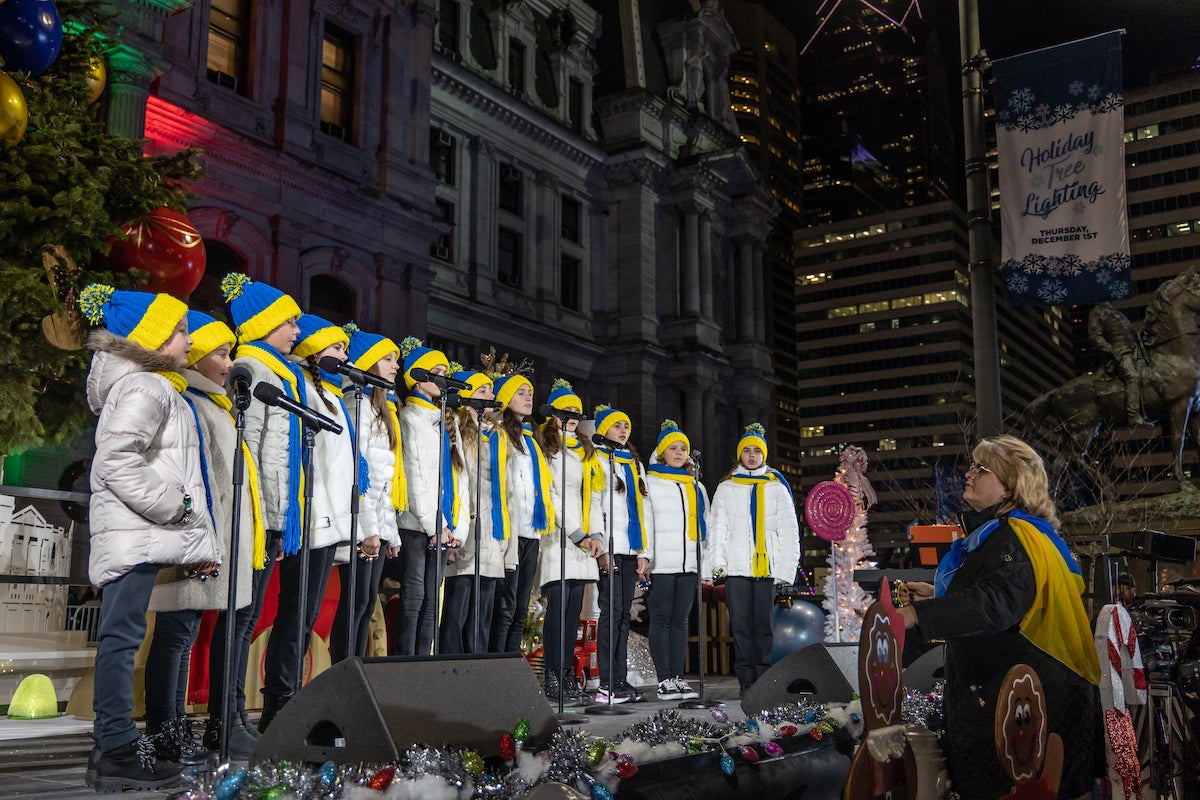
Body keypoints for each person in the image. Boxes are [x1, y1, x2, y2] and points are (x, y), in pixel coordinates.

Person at [899, 434, 1103, 800]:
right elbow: (1005, 596)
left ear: (1009, 488)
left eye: (982, 468)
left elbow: (994, 604)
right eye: (972, 465)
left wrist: (917, 614)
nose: (968, 473)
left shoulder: (1015, 538)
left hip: (1025, 716)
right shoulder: (1000, 537)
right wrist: (938, 596)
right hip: (1015, 706)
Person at [78, 284, 218, 792]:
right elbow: (116, 459)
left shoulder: (151, 385)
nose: (187, 339)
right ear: (154, 338)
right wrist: (176, 507)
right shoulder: (146, 388)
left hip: (137, 531)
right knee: (121, 639)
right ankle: (115, 748)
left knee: (122, 638)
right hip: (135, 531)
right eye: (180, 330)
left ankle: (110, 750)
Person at [147, 311, 262, 760]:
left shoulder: (216, 405)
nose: (230, 361)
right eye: (221, 352)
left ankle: (173, 728)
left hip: (206, 541)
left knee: (185, 633)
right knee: (175, 634)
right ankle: (163, 730)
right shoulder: (190, 403)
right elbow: (192, 479)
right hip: (189, 538)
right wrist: (196, 537)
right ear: (194, 360)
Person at [256, 314, 359, 721]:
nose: (344, 355)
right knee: (295, 612)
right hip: (308, 516)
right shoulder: (301, 388)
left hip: (329, 518)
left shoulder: (331, 395)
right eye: (336, 348)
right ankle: (278, 700)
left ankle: (289, 696)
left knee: (307, 615)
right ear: (314, 352)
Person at [221, 272, 302, 733]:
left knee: (246, 623)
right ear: (265, 323)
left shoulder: (277, 372)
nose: (296, 331)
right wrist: (264, 518)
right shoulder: (253, 371)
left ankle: (232, 716)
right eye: (289, 322)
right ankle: (227, 719)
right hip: (258, 515)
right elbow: (248, 450)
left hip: (270, 515)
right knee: (240, 623)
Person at [329, 324, 405, 662]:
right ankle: (343, 672)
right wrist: (369, 531)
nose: (395, 366)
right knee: (354, 603)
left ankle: (354, 669)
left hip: (377, 527)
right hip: (362, 526)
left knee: (364, 605)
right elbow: (360, 475)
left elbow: (386, 480)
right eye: (388, 359)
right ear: (369, 363)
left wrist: (389, 531)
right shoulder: (356, 405)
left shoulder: (382, 409)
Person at [707, 423, 798, 697]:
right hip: (736, 567)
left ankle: (764, 678)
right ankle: (746, 681)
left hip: (765, 568)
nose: (752, 455)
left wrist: (785, 569)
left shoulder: (776, 487)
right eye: (746, 450)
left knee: (763, 626)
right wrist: (717, 562)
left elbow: (788, 530)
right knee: (741, 626)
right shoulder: (726, 488)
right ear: (739, 455)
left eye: (756, 451)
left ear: (764, 455)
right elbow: (717, 528)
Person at [539, 380, 605, 705]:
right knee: (558, 607)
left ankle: (567, 673)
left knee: (573, 611)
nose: (574, 417)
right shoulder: (548, 447)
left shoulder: (586, 451)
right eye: (567, 411)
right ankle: (552, 673)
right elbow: (551, 493)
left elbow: (593, 495)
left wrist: (597, 537)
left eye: (577, 412)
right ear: (554, 414)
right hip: (559, 537)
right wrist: (577, 532)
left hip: (584, 542)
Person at [395, 337, 462, 655]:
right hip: (417, 522)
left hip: (440, 524)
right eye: (436, 371)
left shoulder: (442, 421)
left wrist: (450, 527)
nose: (442, 378)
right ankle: (406, 664)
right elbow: (415, 476)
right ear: (418, 378)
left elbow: (454, 481)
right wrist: (432, 523)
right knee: (414, 596)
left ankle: (425, 661)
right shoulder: (410, 418)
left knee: (432, 600)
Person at [489, 374, 557, 654]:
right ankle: (497, 663)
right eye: (521, 393)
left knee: (520, 605)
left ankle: (513, 662)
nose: (529, 398)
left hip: (531, 530)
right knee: (504, 604)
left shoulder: (532, 438)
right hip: (510, 529)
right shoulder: (499, 433)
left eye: (530, 392)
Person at [591, 404, 653, 703]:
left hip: (630, 547)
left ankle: (619, 679)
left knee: (624, 616)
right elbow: (595, 503)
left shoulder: (633, 464)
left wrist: (644, 552)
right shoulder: (598, 458)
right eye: (617, 425)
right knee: (611, 613)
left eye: (626, 425)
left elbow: (645, 510)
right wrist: (601, 544)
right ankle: (606, 682)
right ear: (603, 429)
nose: (623, 430)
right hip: (611, 548)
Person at [645, 419, 708, 702]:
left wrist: (702, 564)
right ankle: (663, 679)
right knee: (661, 619)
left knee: (681, 621)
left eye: (684, 448)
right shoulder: (650, 482)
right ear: (662, 453)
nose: (680, 452)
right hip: (661, 564)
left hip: (688, 564)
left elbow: (705, 527)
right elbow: (646, 522)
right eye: (674, 448)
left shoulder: (697, 486)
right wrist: (645, 557)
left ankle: (678, 677)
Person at [439, 367, 500, 654]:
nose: (491, 395)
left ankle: (479, 669)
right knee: (456, 611)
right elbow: (455, 483)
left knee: (482, 615)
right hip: (464, 530)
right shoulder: (456, 430)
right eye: (483, 390)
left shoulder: (493, 436)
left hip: (489, 534)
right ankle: (452, 670)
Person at [1088, 302, 1151, 427]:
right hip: (1120, 353)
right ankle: (1134, 416)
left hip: (1135, 351)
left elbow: (1130, 333)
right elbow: (1094, 336)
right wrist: (1112, 350)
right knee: (1133, 377)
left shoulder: (1117, 313)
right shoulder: (1097, 312)